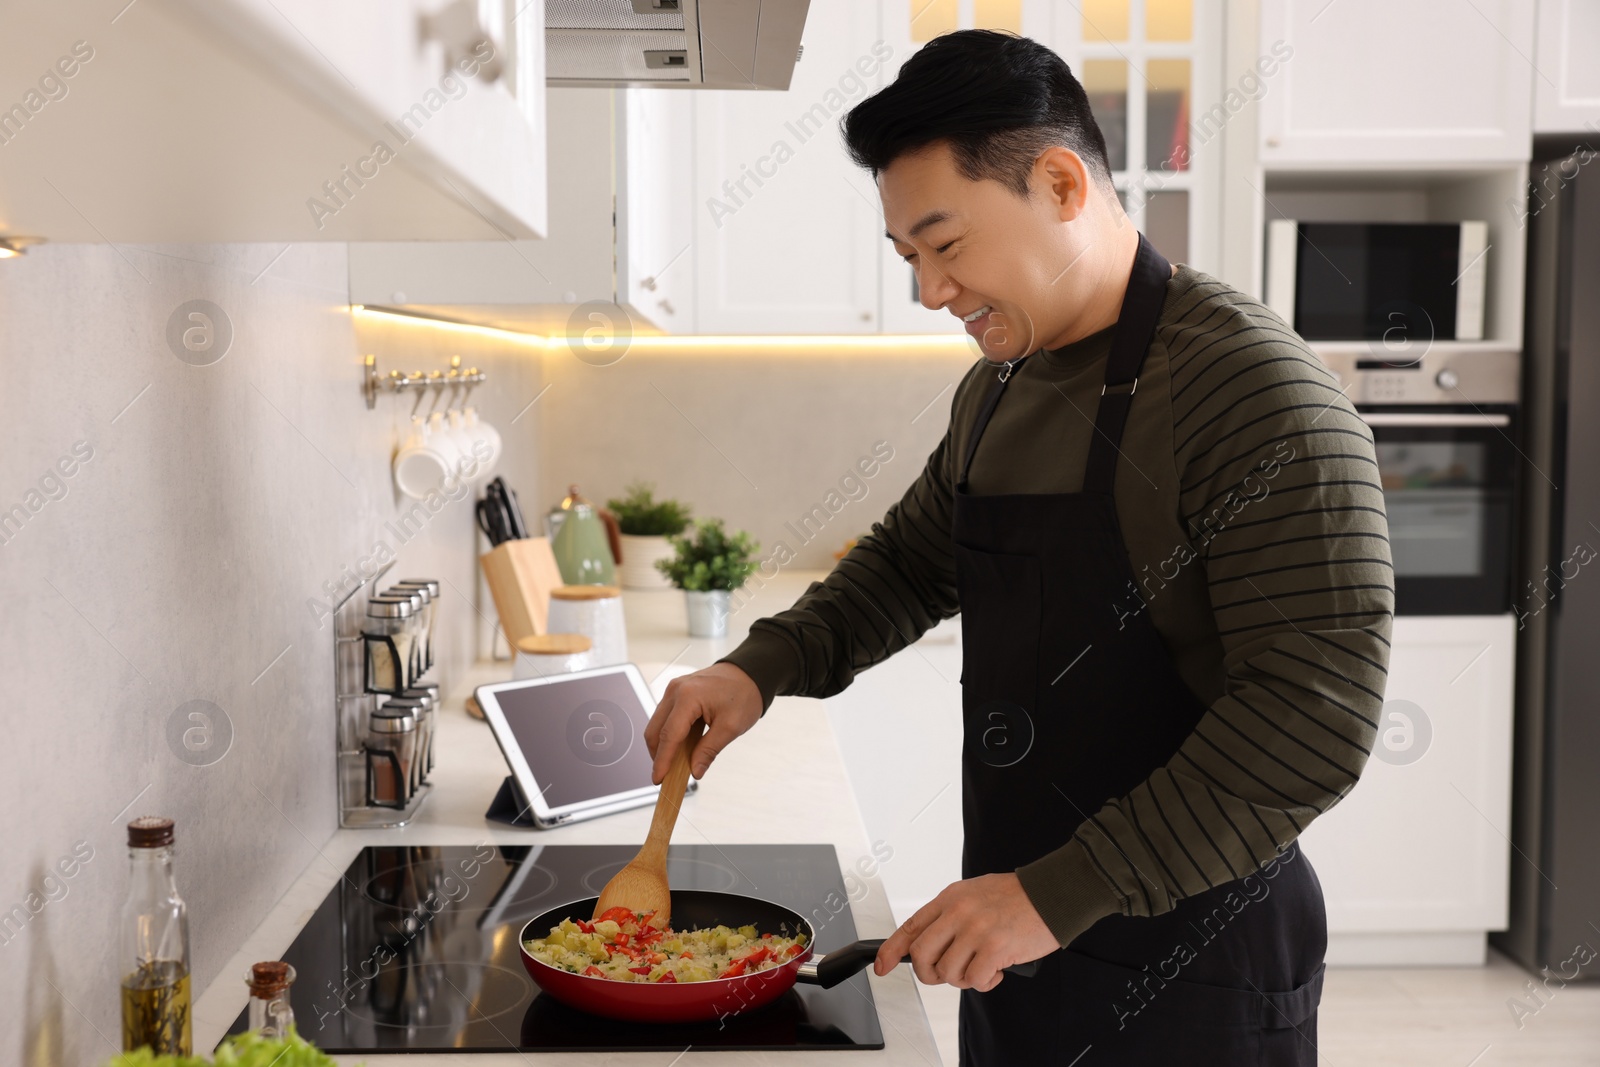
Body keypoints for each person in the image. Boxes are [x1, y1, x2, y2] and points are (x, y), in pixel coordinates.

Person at [643, 29, 1393, 1066]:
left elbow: (1310, 720)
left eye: (947, 246)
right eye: (909, 258)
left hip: (1192, 962)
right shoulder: (999, 383)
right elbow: (910, 561)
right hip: (1016, 939)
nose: (930, 292)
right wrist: (756, 666)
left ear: (1059, 182)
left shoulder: (1253, 392)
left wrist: (1054, 893)